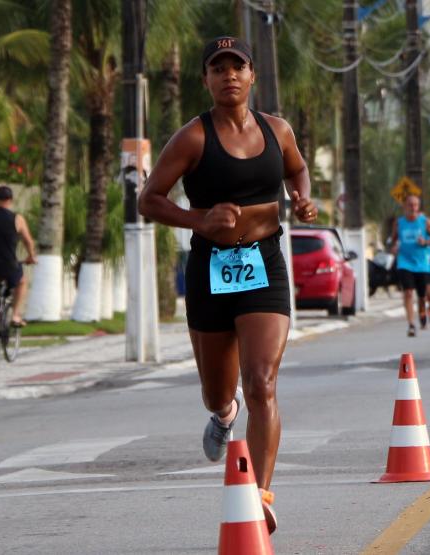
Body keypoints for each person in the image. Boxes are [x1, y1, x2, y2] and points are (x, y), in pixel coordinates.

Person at [138, 36, 317, 534]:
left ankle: (259, 495)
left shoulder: (277, 130)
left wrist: (301, 197)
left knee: (261, 381)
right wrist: (198, 219)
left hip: (264, 264)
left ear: (252, 75)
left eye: (237, 66)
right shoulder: (192, 138)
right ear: (206, 79)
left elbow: (298, 168)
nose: (229, 75)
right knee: (218, 392)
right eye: (218, 68)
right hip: (211, 270)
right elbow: (149, 199)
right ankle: (223, 415)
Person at [390, 194, 430, 337]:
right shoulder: (399, 223)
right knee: (408, 292)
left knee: (423, 295)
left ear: (418, 207)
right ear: (404, 206)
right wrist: (393, 247)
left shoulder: (424, 221)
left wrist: (425, 242)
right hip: (404, 262)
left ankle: (422, 312)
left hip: (422, 264)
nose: (413, 208)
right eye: (410, 205)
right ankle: (411, 324)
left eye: (415, 205)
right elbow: (393, 240)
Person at [0, 185, 37, 326]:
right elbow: (28, 241)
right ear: (10, 200)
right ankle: (15, 316)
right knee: (22, 282)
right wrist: (31, 256)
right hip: (9, 267)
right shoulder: (17, 219)